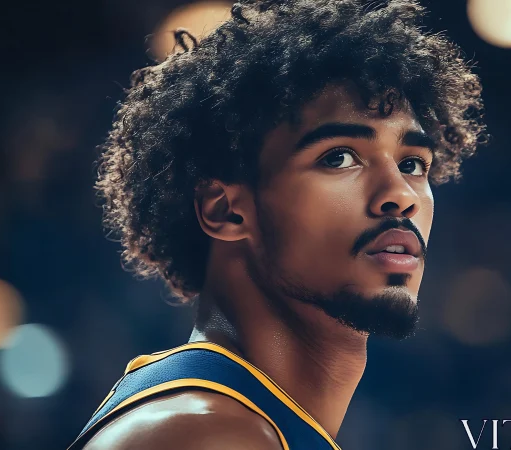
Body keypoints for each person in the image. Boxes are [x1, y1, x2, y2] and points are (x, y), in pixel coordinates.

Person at [70, 0, 485, 448]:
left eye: (412, 164)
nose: (401, 194)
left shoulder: (239, 421)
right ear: (225, 211)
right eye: (339, 157)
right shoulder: (206, 435)